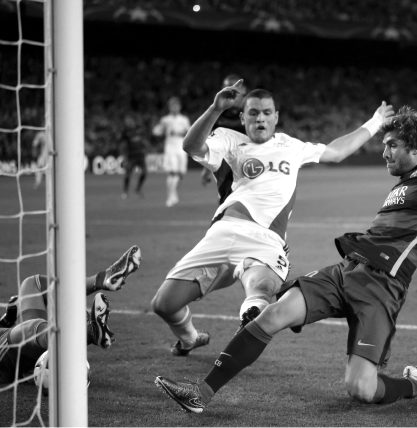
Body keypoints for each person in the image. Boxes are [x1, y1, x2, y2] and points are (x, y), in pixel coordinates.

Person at [154, 107, 417, 413]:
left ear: (416, 147)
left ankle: (413, 385)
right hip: (347, 269)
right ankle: (202, 392)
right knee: (274, 313)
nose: (384, 151)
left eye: (392, 144)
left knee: (360, 388)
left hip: (381, 287)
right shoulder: (407, 184)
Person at [150, 81, 395, 357]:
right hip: (223, 233)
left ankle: (252, 316)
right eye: (253, 113)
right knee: (164, 304)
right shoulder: (228, 140)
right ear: (243, 118)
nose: (260, 118)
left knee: (260, 288)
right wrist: (216, 108)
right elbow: (190, 145)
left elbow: (336, 152)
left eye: (267, 112)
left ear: (276, 117)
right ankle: (190, 338)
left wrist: (375, 122)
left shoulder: (291, 146)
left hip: (266, 241)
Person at [0, 246, 141, 384]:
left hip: (8, 338)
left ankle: (103, 279)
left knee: (34, 284)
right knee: (28, 329)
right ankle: (88, 332)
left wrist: (6, 320)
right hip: (1, 354)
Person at [201, 75, 248, 191]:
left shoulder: (250, 111)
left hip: (248, 162)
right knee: (227, 199)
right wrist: (207, 169)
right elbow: (214, 145)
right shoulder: (217, 113)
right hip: (226, 164)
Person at [153, 97, 191, 207]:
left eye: (176, 105)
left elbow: (189, 132)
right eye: (172, 106)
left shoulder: (184, 119)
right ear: (169, 107)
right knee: (173, 173)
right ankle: (170, 197)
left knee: (181, 173)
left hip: (181, 149)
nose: (174, 108)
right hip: (170, 149)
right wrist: (157, 131)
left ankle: (173, 193)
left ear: (180, 107)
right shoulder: (165, 120)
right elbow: (157, 131)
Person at [120, 114, 149, 199]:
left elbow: (144, 140)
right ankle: (125, 192)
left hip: (140, 155)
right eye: (126, 121)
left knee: (144, 172)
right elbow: (122, 144)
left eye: (129, 120)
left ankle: (138, 189)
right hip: (131, 156)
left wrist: (146, 149)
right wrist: (124, 156)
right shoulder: (125, 132)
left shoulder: (139, 129)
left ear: (133, 120)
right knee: (128, 174)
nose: (128, 122)